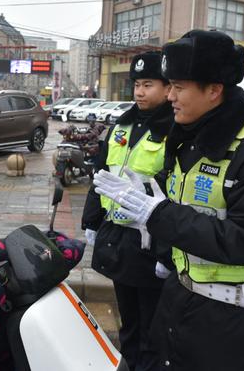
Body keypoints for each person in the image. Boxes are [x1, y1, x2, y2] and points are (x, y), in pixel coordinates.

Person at [94, 30, 244, 370]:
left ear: (214, 90)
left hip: (232, 320)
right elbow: (174, 201)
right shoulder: (188, 141)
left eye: (179, 87)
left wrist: (157, 215)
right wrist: (142, 203)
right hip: (179, 299)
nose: (170, 96)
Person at [82, 51, 174, 371]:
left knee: (153, 323)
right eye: (136, 84)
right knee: (128, 318)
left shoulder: (175, 128)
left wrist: (166, 249)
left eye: (148, 84)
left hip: (151, 239)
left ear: (167, 88)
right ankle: (130, 363)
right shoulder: (123, 123)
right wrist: (91, 220)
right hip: (118, 235)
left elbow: (177, 190)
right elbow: (102, 171)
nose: (139, 92)